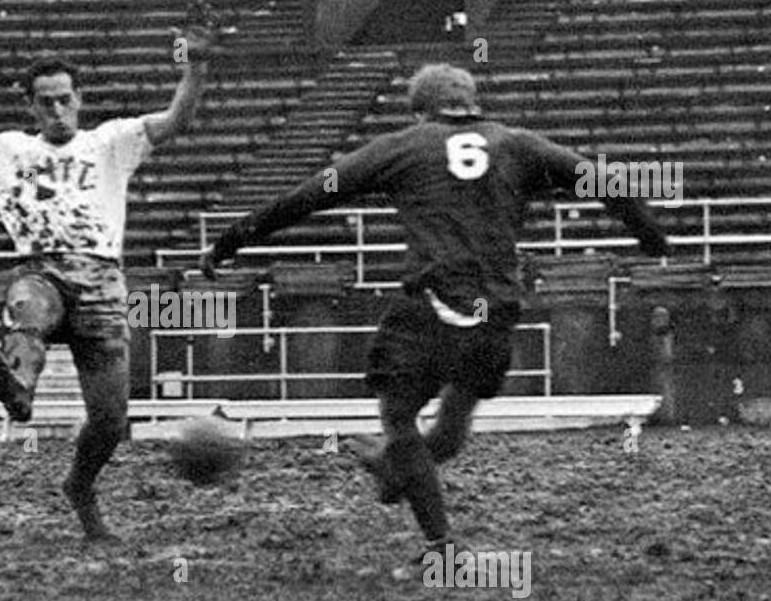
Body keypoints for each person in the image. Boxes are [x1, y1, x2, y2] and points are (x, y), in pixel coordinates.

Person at [201, 63, 670, 559]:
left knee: (398, 416)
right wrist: (651, 236)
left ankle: (439, 544)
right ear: (473, 102)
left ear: (421, 110)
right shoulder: (518, 144)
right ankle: (399, 471)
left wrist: (232, 241)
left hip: (432, 302)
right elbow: (601, 180)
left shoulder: (404, 146)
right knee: (450, 428)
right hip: (496, 308)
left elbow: (311, 194)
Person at [0, 4, 222, 541]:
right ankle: (18, 386)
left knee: (110, 421)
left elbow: (176, 120)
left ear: (79, 99)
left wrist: (194, 66)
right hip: (42, 269)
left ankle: (80, 484)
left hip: (103, 279)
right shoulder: (11, 149)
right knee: (28, 308)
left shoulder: (110, 141)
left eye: (65, 98)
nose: (58, 109)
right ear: (31, 106)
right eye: (46, 101)